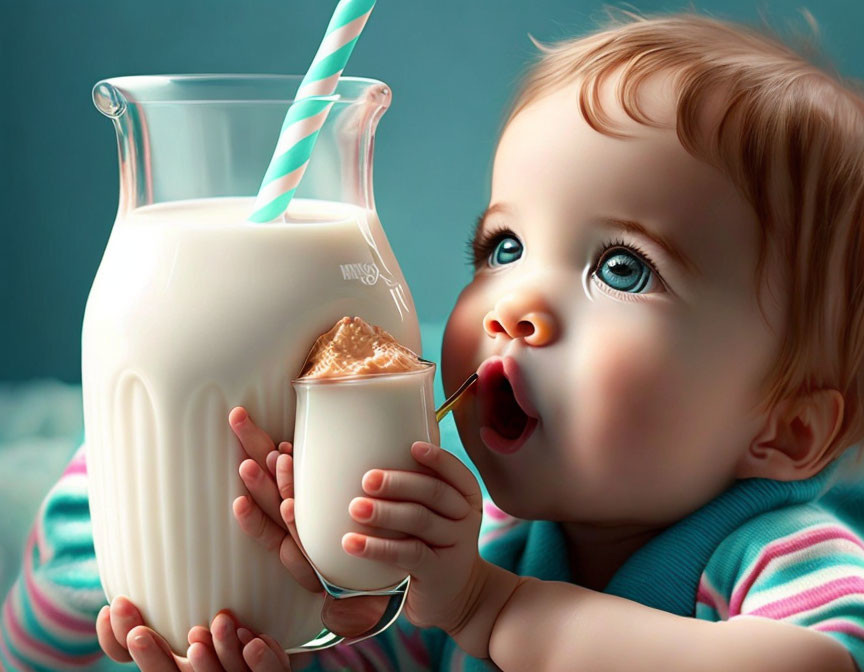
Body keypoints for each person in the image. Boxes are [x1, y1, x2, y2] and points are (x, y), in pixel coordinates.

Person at [6, 9, 864, 671]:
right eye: (504, 249)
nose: (514, 306)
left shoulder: (777, 555)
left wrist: (490, 608)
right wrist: (306, 619)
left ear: (784, 429)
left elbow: (813, 664)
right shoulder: (483, 537)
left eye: (623, 269)